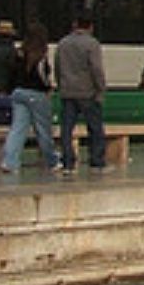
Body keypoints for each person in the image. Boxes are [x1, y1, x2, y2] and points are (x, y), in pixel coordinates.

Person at [2, 21, 61, 174]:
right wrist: (48, 88)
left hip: (18, 93)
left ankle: (9, 161)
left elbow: (11, 75)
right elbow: (43, 77)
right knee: (43, 130)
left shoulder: (19, 53)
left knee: (17, 128)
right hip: (36, 94)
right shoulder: (40, 55)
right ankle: (52, 161)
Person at [55, 15, 107, 173]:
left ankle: (68, 163)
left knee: (67, 129)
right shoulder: (92, 44)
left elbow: (58, 67)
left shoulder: (62, 43)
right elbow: (96, 68)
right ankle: (96, 162)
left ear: (75, 25)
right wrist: (100, 88)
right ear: (90, 27)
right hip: (87, 92)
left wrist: (61, 85)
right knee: (95, 128)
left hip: (67, 92)